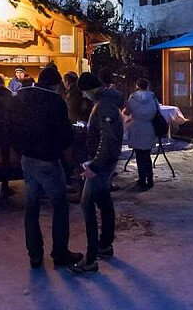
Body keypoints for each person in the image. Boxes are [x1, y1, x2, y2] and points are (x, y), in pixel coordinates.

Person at [8, 64, 81, 270]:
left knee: (31, 208)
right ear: (55, 85)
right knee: (60, 206)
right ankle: (60, 253)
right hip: (48, 160)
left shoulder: (20, 97)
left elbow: (11, 127)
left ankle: (35, 255)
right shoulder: (55, 102)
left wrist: (20, 149)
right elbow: (65, 135)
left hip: (27, 159)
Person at [70, 72, 123, 275]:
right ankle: (105, 245)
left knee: (87, 204)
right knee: (104, 201)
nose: (83, 96)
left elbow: (108, 139)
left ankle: (91, 258)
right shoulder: (106, 102)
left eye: (84, 92)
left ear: (89, 89)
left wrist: (95, 165)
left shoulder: (105, 105)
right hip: (103, 163)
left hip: (100, 165)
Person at [124, 78, 159, 190]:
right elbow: (157, 110)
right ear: (147, 86)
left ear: (137, 86)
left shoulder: (132, 97)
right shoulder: (153, 97)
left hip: (136, 128)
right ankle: (150, 179)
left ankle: (142, 179)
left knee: (139, 155)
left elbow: (127, 112)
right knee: (147, 155)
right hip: (149, 128)